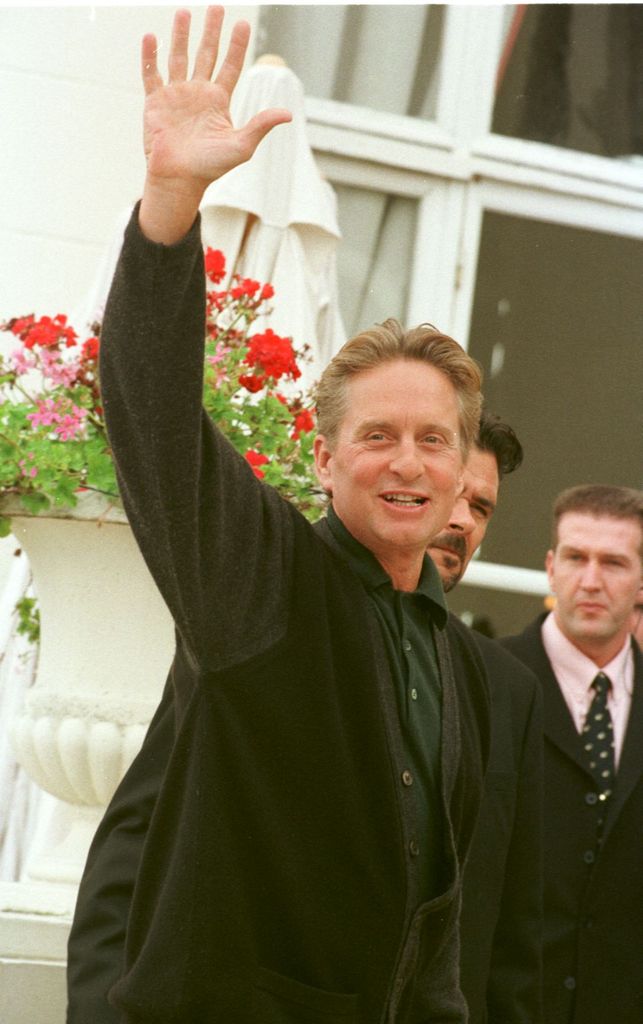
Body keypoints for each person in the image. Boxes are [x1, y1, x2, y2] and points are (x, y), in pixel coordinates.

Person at [67, 8, 491, 1022]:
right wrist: (171, 203)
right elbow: (157, 418)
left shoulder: (457, 657)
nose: (406, 462)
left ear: (462, 464)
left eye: (433, 440)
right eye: (378, 436)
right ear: (324, 454)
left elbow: (430, 910)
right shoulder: (260, 577)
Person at [501, 484, 643, 1024]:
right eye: (576, 557)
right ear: (550, 566)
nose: (590, 580)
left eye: (613, 562)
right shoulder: (488, 679)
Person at [428, 413, 544, 1024]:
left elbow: (515, 930)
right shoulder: (286, 623)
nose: (462, 522)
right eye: (451, 495)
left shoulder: (507, 689)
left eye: (482, 507)